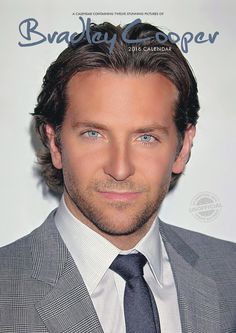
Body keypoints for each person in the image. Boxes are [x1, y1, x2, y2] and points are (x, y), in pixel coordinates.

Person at [0, 20, 236, 333]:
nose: (120, 169)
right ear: (55, 143)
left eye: (146, 137)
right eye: (93, 134)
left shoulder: (230, 272)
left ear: (182, 147)